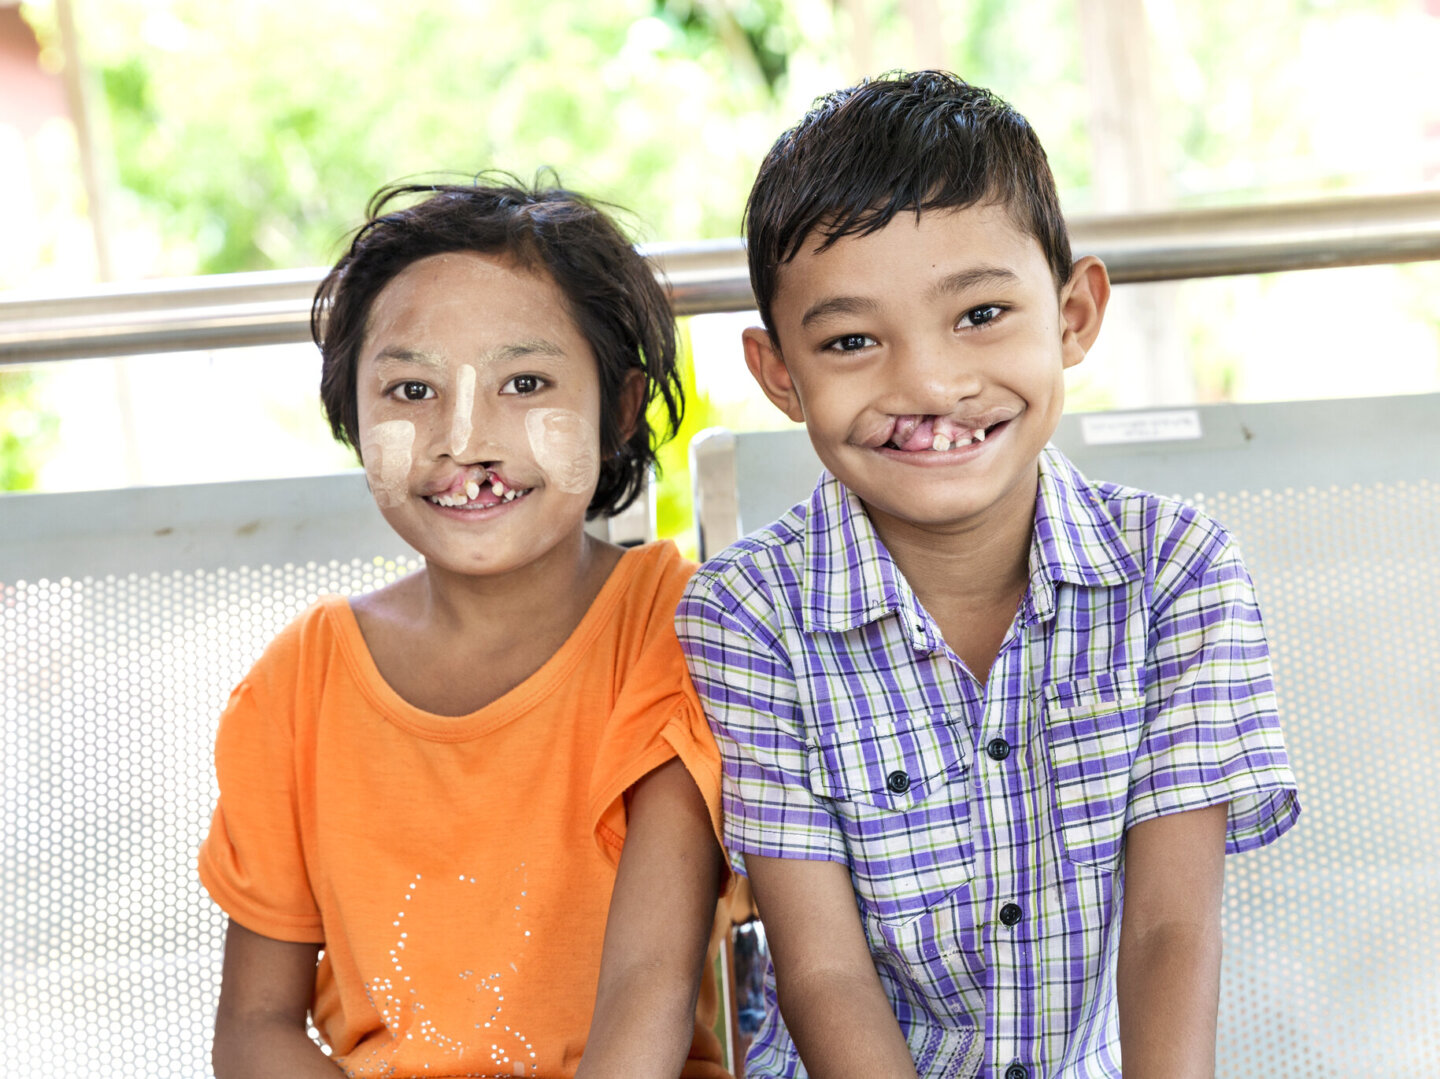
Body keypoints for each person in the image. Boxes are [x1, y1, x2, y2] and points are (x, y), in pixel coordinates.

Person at [676, 71, 1299, 1079]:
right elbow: (825, 970)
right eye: (850, 340)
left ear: (1074, 315)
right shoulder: (749, 615)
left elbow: (1170, 932)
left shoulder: (1179, 573)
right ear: (780, 372)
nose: (927, 382)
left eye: (979, 314)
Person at [199, 176, 728, 1079]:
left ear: (622, 405)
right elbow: (255, 1028)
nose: (464, 438)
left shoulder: (680, 627)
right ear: (353, 416)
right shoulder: (297, 685)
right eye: (411, 389)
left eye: (526, 382)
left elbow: (651, 981)